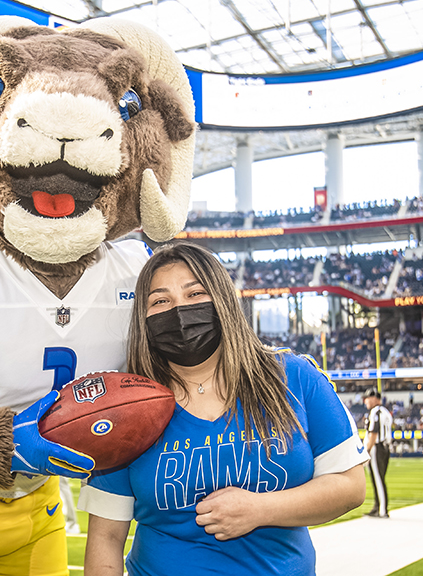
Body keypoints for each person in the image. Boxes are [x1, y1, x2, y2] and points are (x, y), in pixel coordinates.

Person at [79, 243, 368, 576]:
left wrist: (261, 509)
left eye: (195, 294)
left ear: (223, 300)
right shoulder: (124, 409)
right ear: (143, 319)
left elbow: (350, 485)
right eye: (160, 301)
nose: (179, 311)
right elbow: (106, 537)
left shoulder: (295, 376)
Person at [363, 388, 392, 518]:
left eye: (368, 398)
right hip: (385, 447)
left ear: (375, 399)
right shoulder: (386, 412)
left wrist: (367, 451)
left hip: (376, 448)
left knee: (378, 480)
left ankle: (382, 510)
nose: (365, 401)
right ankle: (377, 506)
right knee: (379, 478)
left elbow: (373, 433)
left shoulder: (375, 412)